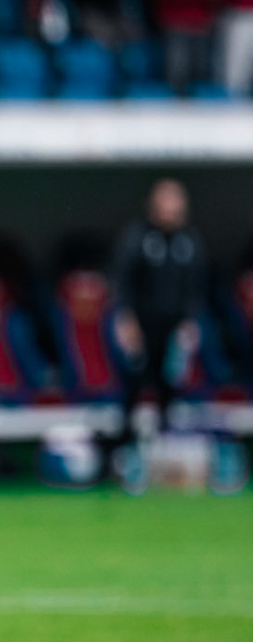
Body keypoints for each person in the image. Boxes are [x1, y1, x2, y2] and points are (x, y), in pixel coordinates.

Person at [110, 178, 207, 451]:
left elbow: (196, 287)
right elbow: (124, 280)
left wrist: (190, 322)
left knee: (170, 387)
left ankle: (166, 448)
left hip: (174, 329)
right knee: (134, 387)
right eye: (167, 201)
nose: (173, 208)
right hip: (141, 327)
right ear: (154, 204)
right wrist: (126, 320)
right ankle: (124, 452)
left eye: (178, 201)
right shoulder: (138, 237)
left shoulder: (188, 241)